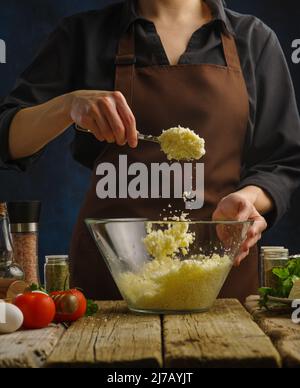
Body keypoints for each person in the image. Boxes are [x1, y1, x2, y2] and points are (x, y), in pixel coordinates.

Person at [0, 0, 300, 301]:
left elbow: (282, 161)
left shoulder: (253, 39)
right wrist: (67, 105)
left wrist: (248, 199)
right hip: (108, 289)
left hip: (222, 288)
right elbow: (7, 139)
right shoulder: (82, 36)